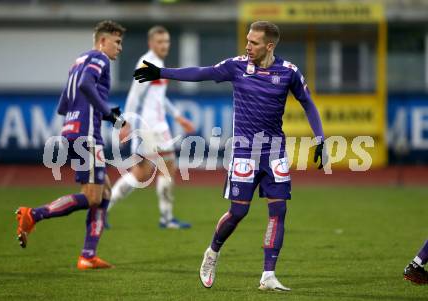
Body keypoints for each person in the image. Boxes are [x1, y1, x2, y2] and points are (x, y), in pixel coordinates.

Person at [134, 21, 325, 291]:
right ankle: (211, 254)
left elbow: (307, 102)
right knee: (238, 212)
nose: (248, 46)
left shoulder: (288, 72)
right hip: (244, 152)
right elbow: (201, 73)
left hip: (274, 152)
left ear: (269, 46)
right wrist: (161, 72)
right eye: (247, 40)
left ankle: (268, 275)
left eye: (254, 42)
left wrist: (320, 137)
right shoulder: (236, 66)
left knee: (278, 210)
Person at [15, 20, 126, 270]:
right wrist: (108, 113)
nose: (119, 48)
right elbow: (87, 84)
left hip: (73, 130)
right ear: (102, 41)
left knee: (104, 193)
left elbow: (63, 104)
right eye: (117, 42)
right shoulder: (99, 58)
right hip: (87, 134)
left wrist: (98, 113)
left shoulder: (78, 61)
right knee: (93, 196)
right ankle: (34, 214)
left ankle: (88, 255)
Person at [108, 25, 194, 229]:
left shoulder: (157, 63)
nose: (164, 45)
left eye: (167, 42)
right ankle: (166, 218)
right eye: (160, 42)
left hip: (156, 124)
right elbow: (134, 96)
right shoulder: (147, 63)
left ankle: (104, 209)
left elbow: (159, 97)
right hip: (152, 126)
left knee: (142, 173)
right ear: (151, 43)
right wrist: (124, 123)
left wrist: (178, 116)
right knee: (167, 166)